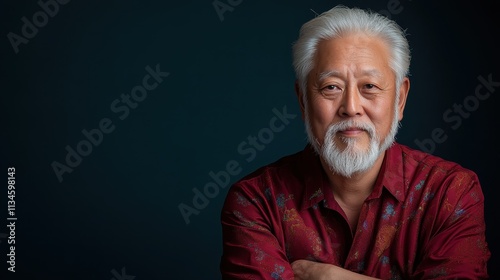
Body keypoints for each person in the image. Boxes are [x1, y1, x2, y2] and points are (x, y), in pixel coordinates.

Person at [219, 4, 490, 280]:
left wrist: (330, 277)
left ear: (399, 99)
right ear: (303, 101)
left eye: (369, 87)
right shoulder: (256, 203)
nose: (351, 107)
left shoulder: (450, 192)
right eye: (331, 87)